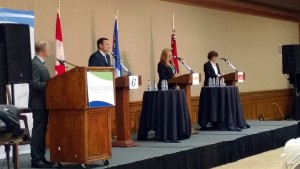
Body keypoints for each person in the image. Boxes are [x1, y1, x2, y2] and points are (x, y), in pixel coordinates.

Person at [29, 41, 53, 168]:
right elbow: (34, 83)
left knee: (42, 131)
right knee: (38, 131)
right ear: (44, 50)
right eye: (48, 49)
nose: (49, 51)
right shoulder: (35, 64)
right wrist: (50, 84)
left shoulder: (41, 63)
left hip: (44, 102)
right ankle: (36, 159)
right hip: (38, 104)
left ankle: (41, 156)